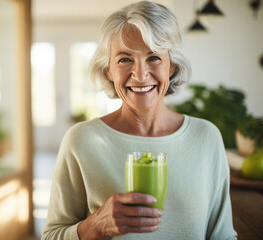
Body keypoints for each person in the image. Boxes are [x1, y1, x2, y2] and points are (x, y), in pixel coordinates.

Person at [41, 1, 237, 239]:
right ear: (108, 71)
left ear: (171, 66)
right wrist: (96, 226)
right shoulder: (81, 140)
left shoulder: (206, 138)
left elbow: (223, 235)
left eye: (153, 57)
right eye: (125, 59)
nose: (141, 75)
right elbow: (51, 235)